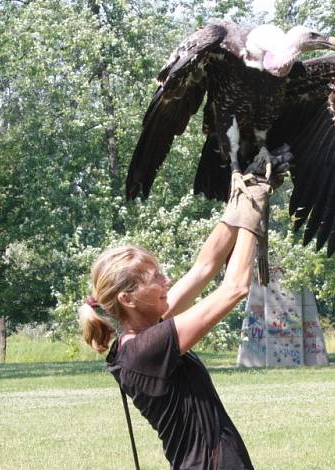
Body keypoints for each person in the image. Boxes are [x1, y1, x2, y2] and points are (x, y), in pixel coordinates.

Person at [78, 151, 289, 470]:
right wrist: (255, 208)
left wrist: (240, 201)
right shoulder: (146, 350)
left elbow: (204, 266)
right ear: (128, 299)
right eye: (156, 278)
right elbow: (233, 288)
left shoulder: (144, 333)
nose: (167, 280)